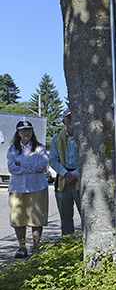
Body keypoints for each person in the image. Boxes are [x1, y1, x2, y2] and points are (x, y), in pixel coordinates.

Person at [7, 120, 49, 259]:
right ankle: (22, 247)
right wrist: (32, 167)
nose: (27, 133)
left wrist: (23, 164)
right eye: (23, 130)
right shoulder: (12, 149)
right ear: (18, 133)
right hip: (17, 188)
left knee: (37, 218)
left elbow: (42, 166)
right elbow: (12, 168)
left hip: (37, 187)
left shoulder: (40, 148)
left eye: (29, 130)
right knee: (18, 218)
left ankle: (36, 246)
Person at [49, 109, 82, 236]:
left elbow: (89, 159)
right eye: (68, 118)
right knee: (65, 218)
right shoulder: (57, 139)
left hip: (80, 179)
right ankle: (67, 244)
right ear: (63, 121)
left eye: (73, 117)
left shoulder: (84, 136)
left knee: (87, 216)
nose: (71, 120)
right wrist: (66, 174)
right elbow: (52, 160)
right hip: (63, 180)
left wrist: (76, 174)